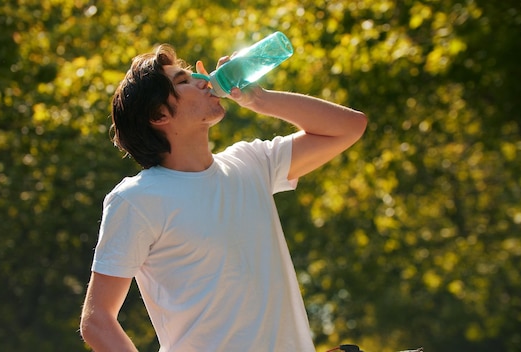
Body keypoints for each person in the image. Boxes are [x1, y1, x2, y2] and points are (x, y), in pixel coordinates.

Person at [80, 43, 367, 352]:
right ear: (159, 114)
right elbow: (97, 320)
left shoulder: (251, 162)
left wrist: (260, 99)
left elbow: (349, 127)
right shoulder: (136, 200)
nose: (203, 81)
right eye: (183, 81)